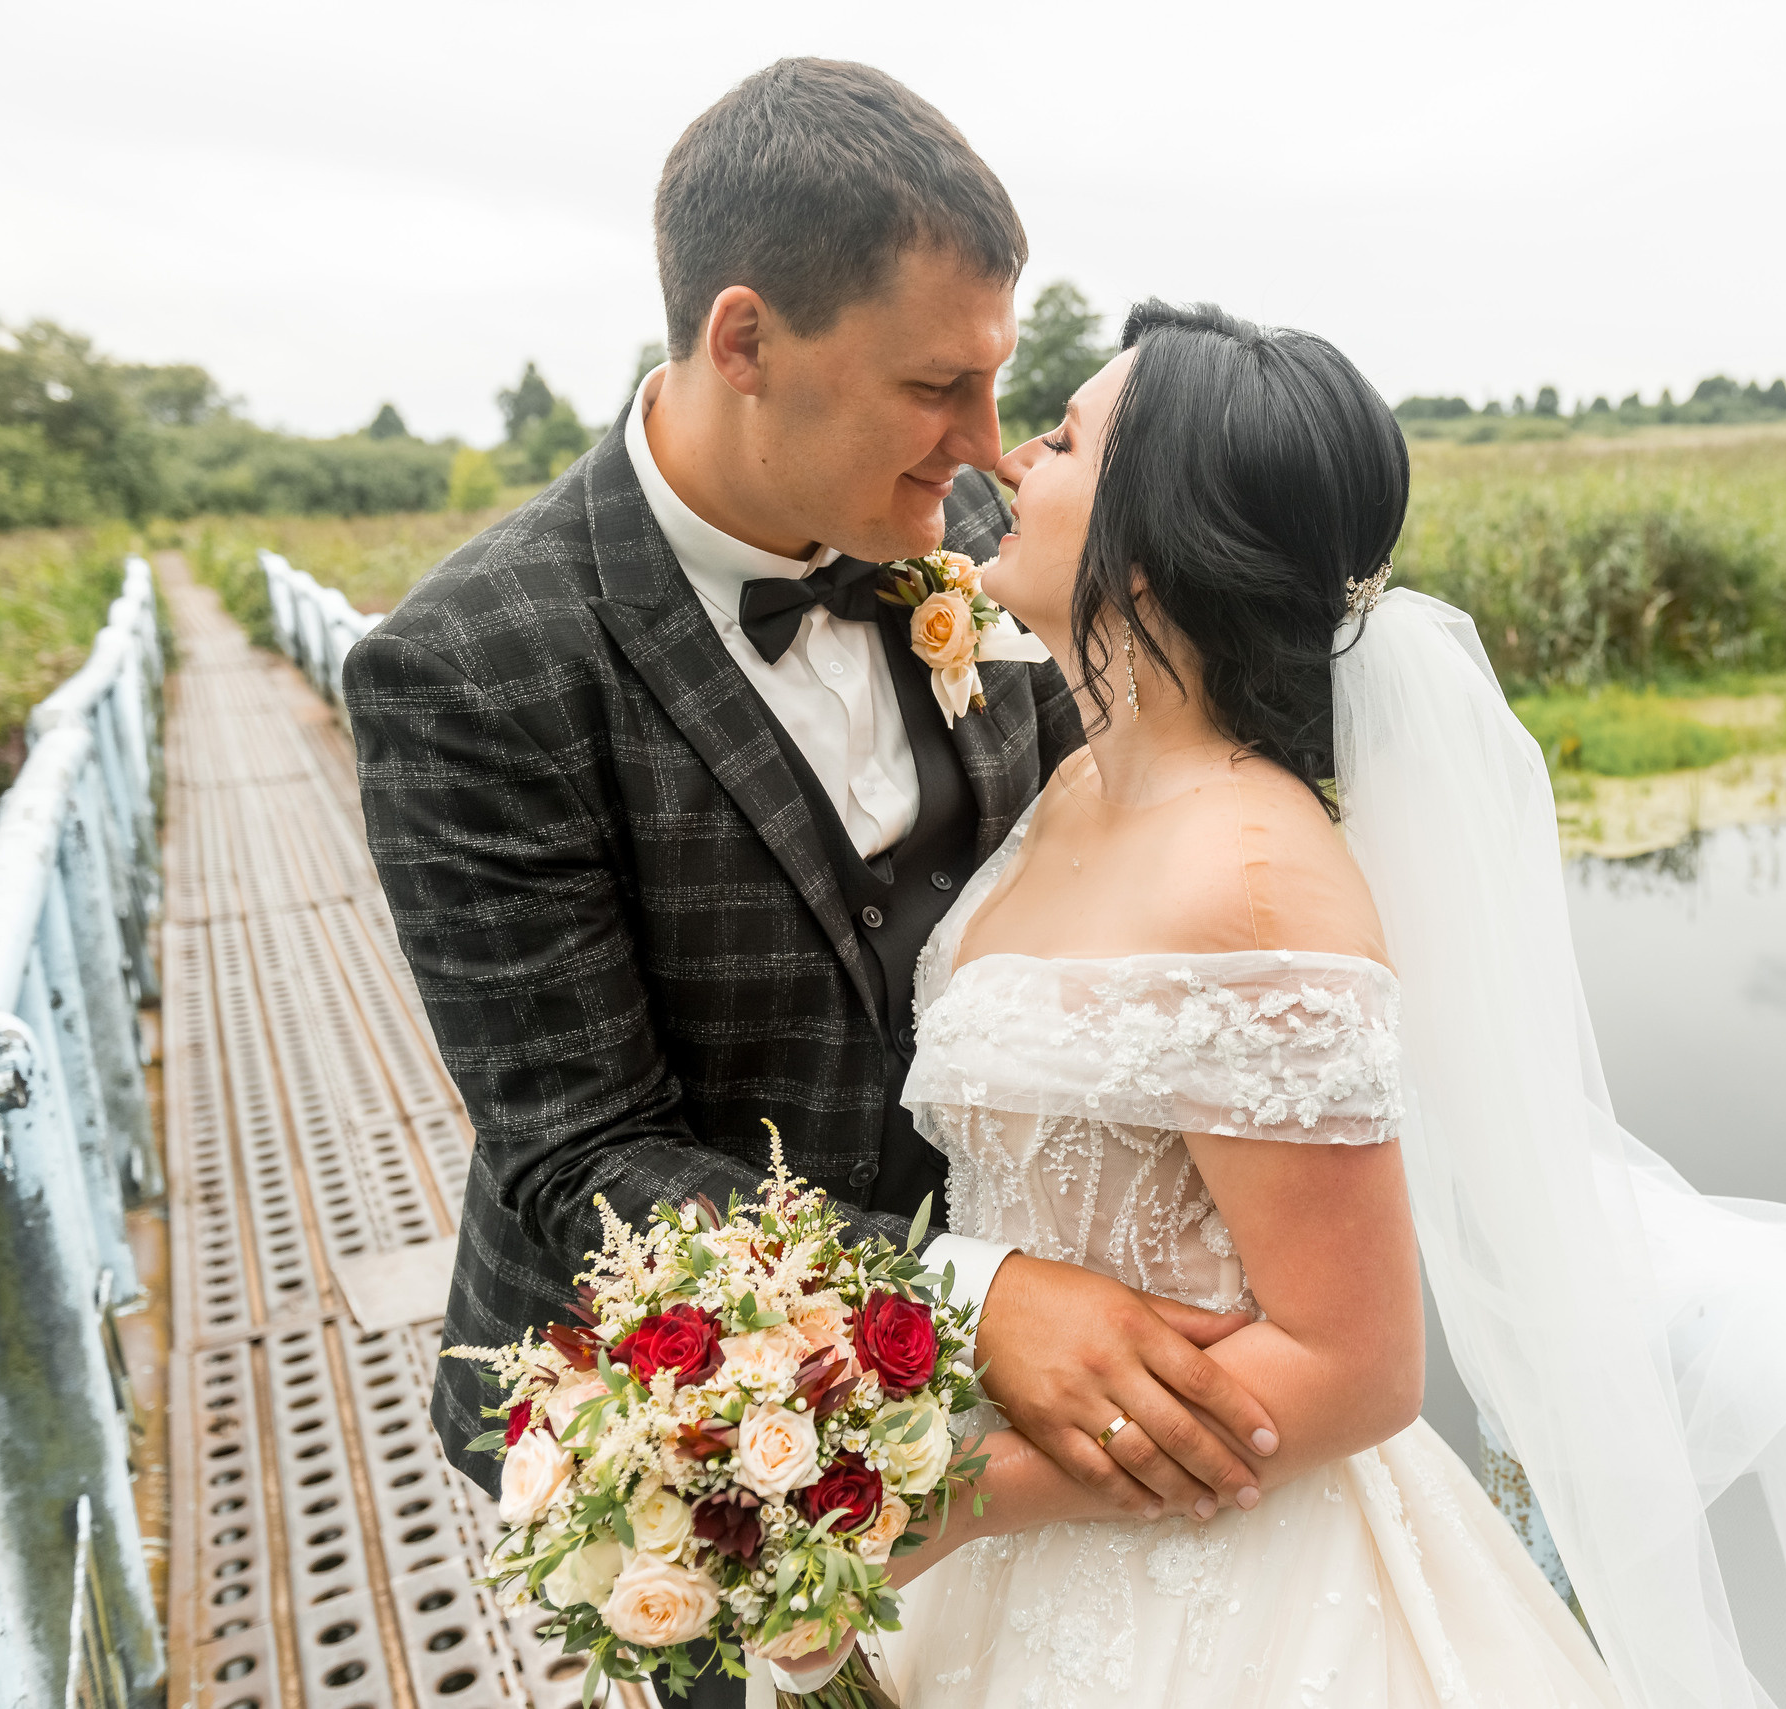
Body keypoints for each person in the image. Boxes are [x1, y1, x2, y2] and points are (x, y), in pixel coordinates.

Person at [863, 302, 1786, 1707]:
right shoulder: (1070, 784)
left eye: (1063, 437)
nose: (1013, 457)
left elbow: (1357, 1363)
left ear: (1152, 530)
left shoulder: (1255, 878)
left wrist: (944, 1499)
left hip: (1198, 1594)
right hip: (1017, 1530)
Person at [344, 64, 1289, 1704]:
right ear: (745, 340)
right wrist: (974, 1296)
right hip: (700, 1426)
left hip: (1055, 1391)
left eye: (1002, 386)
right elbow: (582, 1150)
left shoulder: (990, 533)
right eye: (938, 385)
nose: (988, 447)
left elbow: (1155, 826)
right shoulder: (467, 669)